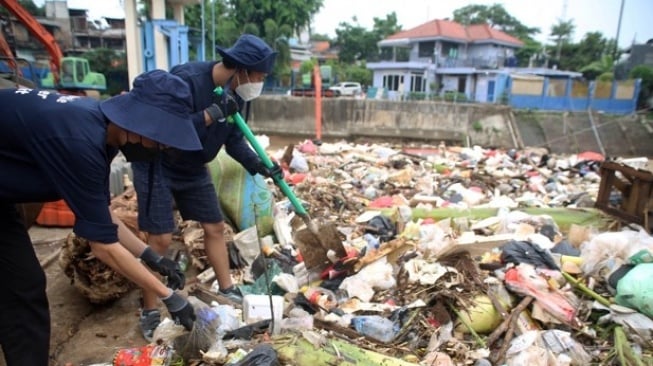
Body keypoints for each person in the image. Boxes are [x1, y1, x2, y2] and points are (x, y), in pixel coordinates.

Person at [0, 69, 200, 366]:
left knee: (22, 288)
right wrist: (168, 296)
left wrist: (152, 257)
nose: (160, 149)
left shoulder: (100, 132)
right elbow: (102, 246)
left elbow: (102, 216)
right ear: (139, 125)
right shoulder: (79, 141)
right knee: (20, 289)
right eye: (160, 141)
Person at [132, 34, 281, 341]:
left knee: (214, 226)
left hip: (194, 166)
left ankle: (227, 289)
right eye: (259, 77)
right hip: (158, 162)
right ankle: (148, 309)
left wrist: (258, 165)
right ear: (241, 68)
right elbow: (167, 127)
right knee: (158, 239)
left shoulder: (238, 94)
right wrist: (210, 114)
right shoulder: (186, 79)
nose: (260, 83)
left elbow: (235, 138)